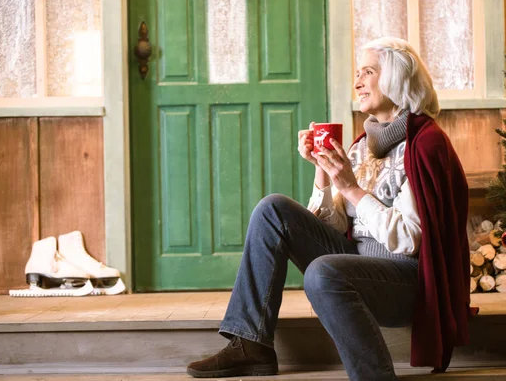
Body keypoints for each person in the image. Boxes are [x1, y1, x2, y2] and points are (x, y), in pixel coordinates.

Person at [186, 36, 474, 380]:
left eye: (368, 72)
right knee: (271, 210)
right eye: (358, 73)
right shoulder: (362, 145)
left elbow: (409, 240)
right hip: (358, 262)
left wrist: (352, 188)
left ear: (396, 78)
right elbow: (336, 225)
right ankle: (251, 344)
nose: (358, 82)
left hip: (405, 280)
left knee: (324, 271)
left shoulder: (425, 144)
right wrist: (323, 173)